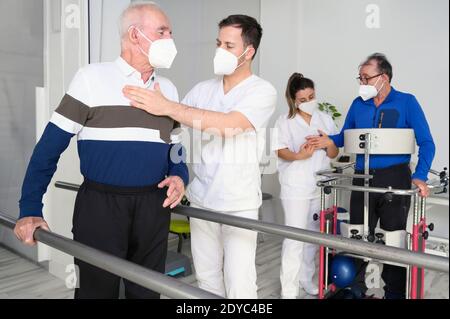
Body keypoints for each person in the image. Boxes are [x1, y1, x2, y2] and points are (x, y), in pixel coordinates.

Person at [15, 1, 188, 299]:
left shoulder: (168, 89)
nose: (170, 40)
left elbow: (176, 149)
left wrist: (179, 175)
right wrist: (30, 208)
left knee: (148, 292)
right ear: (135, 35)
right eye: (162, 31)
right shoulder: (90, 78)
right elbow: (48, 149)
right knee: (96, 291)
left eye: (171, 32)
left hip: (153, 207)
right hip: (101, 207)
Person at [123, 15, 277, 299]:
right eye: (218, 43)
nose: (220, 51)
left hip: (238, 203)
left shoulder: (262, 91)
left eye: (229, 45)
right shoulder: (203, 90)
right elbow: (172, 125)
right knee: (206, 281)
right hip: (202, 200)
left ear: (249, 51)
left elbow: (228, 125)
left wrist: (168, 106)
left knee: (240, 284)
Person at [307, 53, 436, 299]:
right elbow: (345, 136)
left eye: (366, 77)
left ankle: (395, 293)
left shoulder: (407, 102)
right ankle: (355, 290)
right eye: (360, 77)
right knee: (356, 236)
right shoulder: (359, 104)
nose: (362, 82)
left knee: (393, 240)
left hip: (394, 178)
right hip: (362, 178)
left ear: (383, 77)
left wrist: (420, 175)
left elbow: (427, 142)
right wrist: (328, 140)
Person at [274, 73, 339, 299]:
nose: (309, 102)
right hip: (296, 186)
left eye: (312, 96)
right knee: (294, 238)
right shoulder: (285, 121)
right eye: (303, 99)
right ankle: (289, 290)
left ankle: (306, 279)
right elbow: (280, 150)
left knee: (313, 236)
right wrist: (299, 155)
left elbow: (335, 153)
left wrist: (328, 142)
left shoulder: (325, 119)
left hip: (319, 186)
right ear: (293, 100)